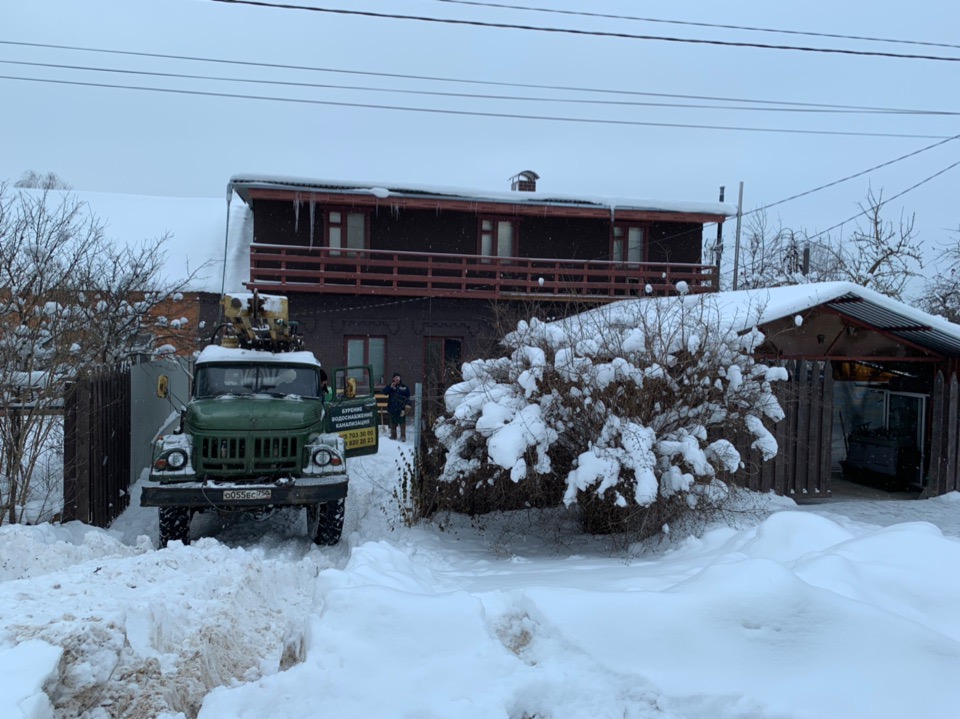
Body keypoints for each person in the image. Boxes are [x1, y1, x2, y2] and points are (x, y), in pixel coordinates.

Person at [382, 372, 412, 441]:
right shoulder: (391, 386)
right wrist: (390, 387)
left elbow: (408, 397)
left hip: (401, 408)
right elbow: (384, 392)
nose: (397, 379)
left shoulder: (404, 387)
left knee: (402, 423)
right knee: (393, 423)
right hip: (392, 408)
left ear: (400, 378)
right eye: (395, 378)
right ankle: (393, 436)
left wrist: (407, 405)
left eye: (398, 377)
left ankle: (403, 437)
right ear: (393, 378)